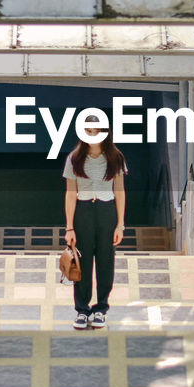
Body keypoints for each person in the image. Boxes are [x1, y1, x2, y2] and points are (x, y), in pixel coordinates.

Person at [62, 124, 127, 329]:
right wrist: (69, 227)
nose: (92, 135)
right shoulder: (74, 158)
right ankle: (82, 310)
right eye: (87, 131)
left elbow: (120, 191)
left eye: (96, 131)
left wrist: (120, 225)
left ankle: (101, 309)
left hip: (107, 211)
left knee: (106, 261)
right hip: (83, 210)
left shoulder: (116, 157)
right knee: (83, 261)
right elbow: (70, 193)